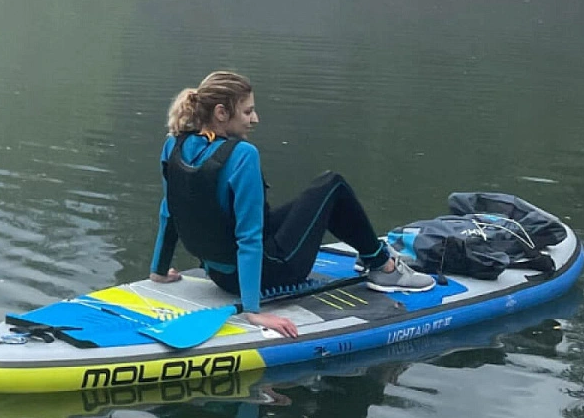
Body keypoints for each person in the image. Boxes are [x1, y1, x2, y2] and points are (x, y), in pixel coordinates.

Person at [149, 71, 434, 338]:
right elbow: (248, 239)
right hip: (269, 274)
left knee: (318, 198)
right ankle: (384, 267)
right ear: (221, 113)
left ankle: (372, 255)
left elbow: (169, 212)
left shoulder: (173, 146)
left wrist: (159, 272)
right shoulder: (242, 154)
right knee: (331, 184)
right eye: (247, 112)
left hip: (218, 274)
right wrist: (253, 312)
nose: (255, 119)